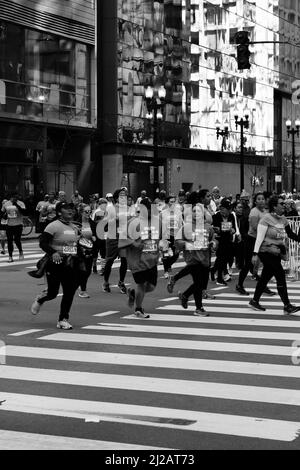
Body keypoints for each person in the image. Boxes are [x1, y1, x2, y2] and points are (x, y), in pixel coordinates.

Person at [30, 202, 81, 329]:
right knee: (53, 293)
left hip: (70, 263)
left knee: (69, 292)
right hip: (54, 263)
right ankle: (41, 299)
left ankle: (63, 319)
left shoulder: (74, 227)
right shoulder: (53, 226)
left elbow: (74, 246)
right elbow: (43, 243)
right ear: (59, 212)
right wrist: (53, 253)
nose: (71, 211)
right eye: (67, 209)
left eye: (72, 209)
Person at [249, 195, 300, 315]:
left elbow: (291, 234)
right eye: (281, 204)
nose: (284, 205)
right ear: (274, 206)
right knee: (280, 275)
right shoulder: (265, 219)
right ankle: (287, 305)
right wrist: (255, 254)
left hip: (277, 251)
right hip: (265, 251)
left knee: (265, 277)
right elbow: (259, 238)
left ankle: (254, 300)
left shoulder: (283, 219)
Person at [120, 198, 162, 319]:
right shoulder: (132, 222)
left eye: (149, 209)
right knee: (141, 284)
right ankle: (138, 309)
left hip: (152, 258)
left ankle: (133, 293)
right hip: (137, 260)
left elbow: (160, 238)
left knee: (151, 286)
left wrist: (162, 247)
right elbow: (122, 237)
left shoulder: (157, 221)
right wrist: (134, 243)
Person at [175, 204, 217, 316]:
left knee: (201, 284)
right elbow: (178, 241)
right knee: (198, 283)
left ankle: (185, 295)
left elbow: (213, 240)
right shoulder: (186, 227)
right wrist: (188, 245)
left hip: (205, 259)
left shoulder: (208, 227)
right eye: (193, 211)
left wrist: (213, 244)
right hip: (192, 259)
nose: (195, 213)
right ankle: (199, 308)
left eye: (198, 211)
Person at [236, 192, 274, 296]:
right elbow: (255, 227)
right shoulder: (254, 212)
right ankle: (239, 285)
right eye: (259, 199)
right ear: (255, 201)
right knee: (248, 264)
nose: (261, 201)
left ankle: (263, 286)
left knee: (265, 264)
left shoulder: (264, 211)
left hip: (261, 240)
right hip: (252, 240)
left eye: (263, 199)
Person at [102, 188, 128, 294]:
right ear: (116, 197)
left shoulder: (128, 209)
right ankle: (105, 282)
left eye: (125, 195)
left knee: (124, 260)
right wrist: (114, 219)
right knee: (109, 261)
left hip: (124, 237)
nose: (124, 196)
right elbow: (104, 224)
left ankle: (121, 282)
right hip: (113, 237)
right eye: (121, 195)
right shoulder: (111, 208)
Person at [211, 198, 236, 286]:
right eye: (227, 208)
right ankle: (220, 278)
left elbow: (234, 229)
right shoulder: (216, 216)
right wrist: (228, 228)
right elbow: (216, 229)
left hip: (228, 240)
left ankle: (214, 270)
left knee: (224, 259)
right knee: (221, 258)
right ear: (221, 208)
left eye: (230, 209)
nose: (230, 211)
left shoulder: (231, 216)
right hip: (219, 241)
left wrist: (232, 230)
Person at [161, 195, 182, 278]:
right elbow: (160, 225)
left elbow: (180, 224)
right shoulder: (163, 213)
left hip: (176, 236)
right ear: (167, 203)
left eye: (174, 201)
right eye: (171, 202)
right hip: (166, 235)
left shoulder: (179, 212)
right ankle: (166, 271)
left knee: (176, 254)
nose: (173, 203)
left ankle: (168, 264)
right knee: (166, 254)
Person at [2, 193, 26, 262]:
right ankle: (10, 256)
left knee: (17, 240)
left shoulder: (21, 203)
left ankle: (20, 251)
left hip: (18, 225)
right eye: (13, 197)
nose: (14, 198)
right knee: (9, 241)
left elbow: (24, 212)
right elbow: (2, 213)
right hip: (9, 225)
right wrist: (4, 216)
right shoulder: (6, 204)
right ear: (10, 197)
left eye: (16, 197)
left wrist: (16, 205)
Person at [77, 204, 94, 298]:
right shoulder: (77, 224)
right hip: (79, 250)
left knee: (88, 271)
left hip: (89, 250)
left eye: (90, 211)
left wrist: (95, 238)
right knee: (83, 271)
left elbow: (96, 234)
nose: (88, 213)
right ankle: (83, 291)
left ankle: (80, 283)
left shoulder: (92, 223)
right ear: (81, 212)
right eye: (86, 211)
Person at [90, 198, 108, 275]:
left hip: (104, 234)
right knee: (95, 252)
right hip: (97, 234)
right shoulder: (97, 212)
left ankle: (103, 268)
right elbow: (94, 224)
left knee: (103, 252)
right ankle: (94, 266)